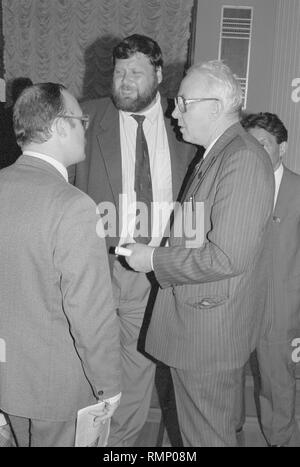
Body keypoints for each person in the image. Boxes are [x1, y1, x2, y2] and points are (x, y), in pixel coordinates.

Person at [124, 60, 275, 447]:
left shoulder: (239, 158)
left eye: (183, 103)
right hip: (201, 326)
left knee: (204, 438)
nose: (174, 112)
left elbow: (227, 257)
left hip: (207, 335)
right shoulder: (217, 153)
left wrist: (152, 260)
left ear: (215, 105)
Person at [70, 34, 197, 446]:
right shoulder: (85, 120)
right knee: (84, 368)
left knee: (138, 375)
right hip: (96, 270)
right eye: (119, 72)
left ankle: (119, 449)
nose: (124, 81)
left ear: (159, 75)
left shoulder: (187, 127)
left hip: (155, 275)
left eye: (136, 72)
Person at [0, 82, 121, 447]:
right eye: (80, 119)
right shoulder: (73, 206)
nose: (85, 127)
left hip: (8, 383)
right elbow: (91, 313)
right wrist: (109, 385)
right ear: (58, 126)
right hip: (56, 392)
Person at [239, 112, 300, 447]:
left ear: (283, 148)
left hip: (280, 308)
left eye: (263, 143)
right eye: (250, 144)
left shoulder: (298, 190)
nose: (256, 151)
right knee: (230, 378)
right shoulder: (235, 185)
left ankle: (280, 440)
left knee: (277, 385)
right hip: (237, 302)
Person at [0, 77, 33, 169]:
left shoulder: (3, 115)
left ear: (12, 94)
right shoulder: (36, 118)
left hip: (5, 168)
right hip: (27, 167)